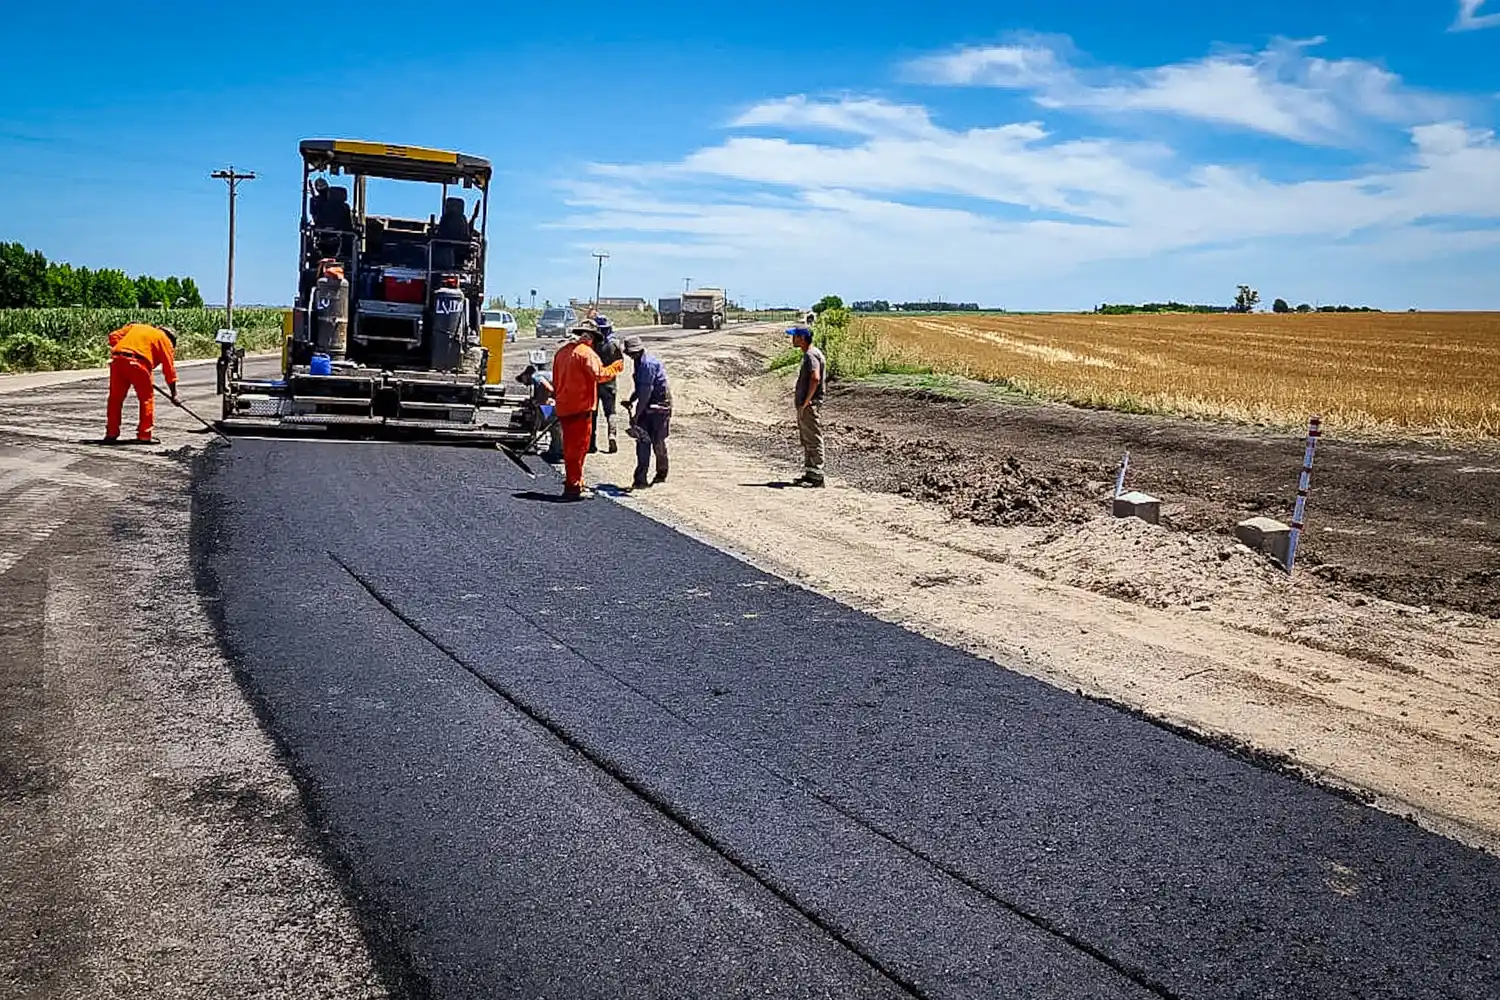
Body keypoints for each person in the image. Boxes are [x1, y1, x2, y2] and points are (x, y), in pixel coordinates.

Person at [550, 326, 624, 499]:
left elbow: (556, 379)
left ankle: (576, 480)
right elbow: (600, 375)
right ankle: (573, 486)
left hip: (564, 407)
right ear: (590, 338)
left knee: (570, 447)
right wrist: (616, 367)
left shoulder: (561, 353)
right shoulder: (586, 353)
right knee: (578, 449)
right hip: (580, 408)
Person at [104, 323, 177, 444]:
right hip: (139, 363)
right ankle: (144, 435)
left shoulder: (137, 327)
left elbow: (113, 336)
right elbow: (169, 370)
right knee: (146, 399)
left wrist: (124, 352)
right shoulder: (164, 340)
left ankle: (111, 434)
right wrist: (174, 394)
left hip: (117, 360)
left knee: (115, 399)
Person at [621, 335, 672, 489]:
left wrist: (636, 415)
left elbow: (646, 393)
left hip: (659, 405)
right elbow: (640, 388)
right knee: (643, 441)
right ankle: (640, 479)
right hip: (647, 402)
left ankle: (661, 473)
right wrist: (631, 400)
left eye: (633, 353)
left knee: (657, 441)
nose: (631, 356)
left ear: (639, 351)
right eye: (630, 354)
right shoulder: (638, 363)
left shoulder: (647, 364)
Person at [788, 326, 826, 487]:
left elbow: (815, 378)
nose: (792, 339)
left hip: (809, 405)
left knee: (813, 439)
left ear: (802, 338)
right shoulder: (811, 353)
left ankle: (817, 477)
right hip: (808, 404)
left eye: (795, 336)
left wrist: (806, 402)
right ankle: (810, 474)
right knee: (807, 439)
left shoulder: (811, 355)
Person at [590, 314, 624, 454]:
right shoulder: (615, 344)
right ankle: (612, 435)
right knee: (611, 412)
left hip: (594, 384)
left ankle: (591, 443)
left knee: (593, 413)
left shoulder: (592, 344)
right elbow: (620, 362)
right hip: (610, 383)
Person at [516, 362, 562, 462]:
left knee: (554, 425)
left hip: (564, 396)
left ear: (526, 375)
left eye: (522, 379)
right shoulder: (540, 376)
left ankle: (557, 452)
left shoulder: (536, 376)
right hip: (564, 394)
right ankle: (557, 450)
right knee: (556, 426)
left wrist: (539, 402)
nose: (524, 383)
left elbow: (548, 388)